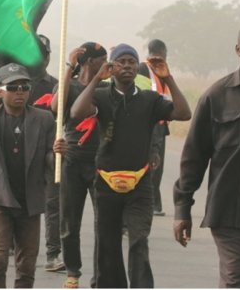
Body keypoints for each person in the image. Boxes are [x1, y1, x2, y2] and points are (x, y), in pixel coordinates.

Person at [70, 43, 191, 288]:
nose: (127, 66)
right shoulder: (102, 95)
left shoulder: (150, 99)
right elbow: (76, 111)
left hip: (140, 183)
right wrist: (96, 79)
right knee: (108, 243)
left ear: (137, 67)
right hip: (106, 182)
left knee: (138, 240)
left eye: (132, 62)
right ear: (112, 67)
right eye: (121, 61)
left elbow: (183, 113)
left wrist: (168, 78)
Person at [173, 21, 240, 288]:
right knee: (237, 280)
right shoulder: (216, 96)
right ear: (238, 49)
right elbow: (194, 155)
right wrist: (183, 207)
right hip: (229, 212)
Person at [0, 62, 61, 288]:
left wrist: (58, 153)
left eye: (24, 86)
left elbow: (49, 159)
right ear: (0, 90)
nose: (19, 91)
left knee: (27, 265)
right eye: (12, 87)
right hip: (1, 200)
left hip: (30, 201)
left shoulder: (44, 118)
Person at [50, 42, 107, 288]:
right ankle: (73, 271)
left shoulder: (106, 89)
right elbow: (56, 108)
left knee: (103, 222)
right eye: (101, 60)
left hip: (101, 162)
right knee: (69, 222)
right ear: (87, 62)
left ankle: (101, 273)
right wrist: (68, 66)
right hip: (72, 159)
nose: (106, 64)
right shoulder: (68, 86)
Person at [27, 34, 64, 273]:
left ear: (49, 56)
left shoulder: (57, 85)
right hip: (21, 152)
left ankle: (53, 254)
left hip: (49, 154)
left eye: (43, 53)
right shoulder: (15, 83)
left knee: (53, 205)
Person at [137, 39, 171, 216]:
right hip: (150, 122)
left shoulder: (162, 70)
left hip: (161, 122)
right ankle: (148, 202)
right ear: (161, 51)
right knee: (152, 162)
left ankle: (155, 203)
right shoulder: (143, 69)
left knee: (158, 165)